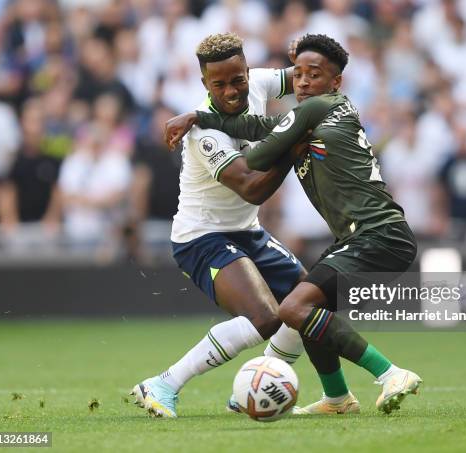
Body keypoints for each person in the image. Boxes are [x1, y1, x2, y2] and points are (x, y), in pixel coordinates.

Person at [174, 34, 422, 415]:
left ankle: (390, 374)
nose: (303, 82)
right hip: (369, 236)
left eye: (315, 75)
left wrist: (209, 128)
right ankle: (337, 398)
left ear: (335, 81)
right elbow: (262, 125)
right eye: (300, 74)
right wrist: (198, 116)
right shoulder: (324, 111)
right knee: (303, 308)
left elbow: (256, 157)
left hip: (376, 236)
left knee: (294, 308)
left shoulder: (312, 111)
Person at [131, 33, 306, 418]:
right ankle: (163, 383)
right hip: (202, 237)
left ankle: (254, 387)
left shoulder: (260, 82)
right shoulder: (204, 134)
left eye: (237, 79)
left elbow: (304, 76)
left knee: (307, 302)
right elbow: (251, 189)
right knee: (264, 318)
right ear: (204, 84)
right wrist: (295, 143)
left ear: (248, 71)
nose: (231, 90)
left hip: (247, 231)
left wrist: (311, 59)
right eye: (219, 84)